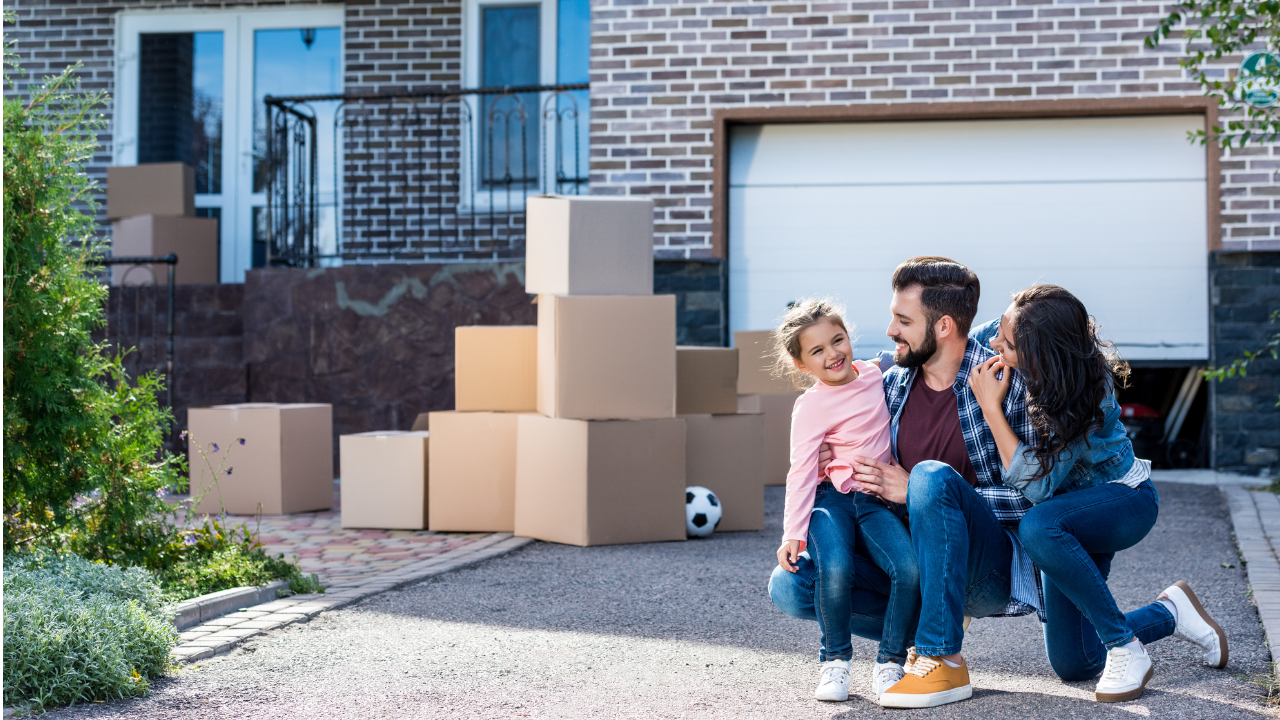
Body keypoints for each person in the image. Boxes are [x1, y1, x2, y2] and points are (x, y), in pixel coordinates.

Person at [966, 284, 1226, 703]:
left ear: (1042, 354)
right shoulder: (1012, 333)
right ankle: (1171, 612)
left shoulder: (1087, 395)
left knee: (1037, 525)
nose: (993, 344)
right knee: (1075, 663)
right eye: (998, 328)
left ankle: (1125, 646)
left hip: (1121, 502)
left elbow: (1037, 485)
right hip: (1068, 520)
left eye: (1007, 344)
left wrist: (990, 408)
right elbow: (953, 337)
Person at [770, 299, 920, 703]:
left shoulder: (877, 374)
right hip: (830, 500)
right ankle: (835, 661)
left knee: (908, 569)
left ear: (849, 338)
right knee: (834, 567)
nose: (832, 353)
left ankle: (891, 662)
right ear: (802, 365)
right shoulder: (810, 406)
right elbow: (801, 471)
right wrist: (792, 533)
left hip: (874, 502)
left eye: (838, 340)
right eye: (817, 351)